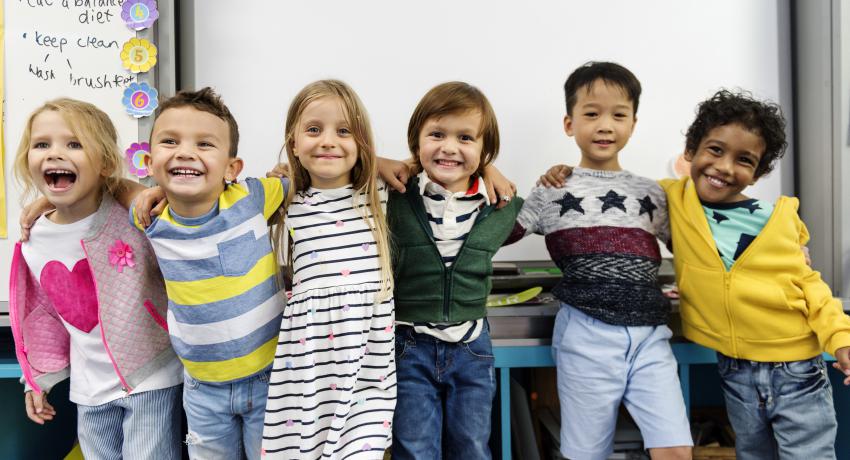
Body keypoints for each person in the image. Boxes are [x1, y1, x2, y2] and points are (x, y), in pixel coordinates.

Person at [506, 62, 693, 460]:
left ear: (633, 124)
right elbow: (499, 235)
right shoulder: (553, 189)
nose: (605, 125)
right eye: (592, 113)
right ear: (569, 123)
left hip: (649, 336)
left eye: (618, 115)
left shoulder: (651, 193)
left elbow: (692, 247)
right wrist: (487, 172)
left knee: (675, 448)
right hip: (585, 334)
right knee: (586, 453)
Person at [9, 98, 182, 459]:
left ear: (104, 163)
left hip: (151, 374)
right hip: (89, 388)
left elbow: (177, 208)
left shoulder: (132, 215)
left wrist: (131, 190)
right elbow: (43, 318)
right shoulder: (33, 239)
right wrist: (35, 378)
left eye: (74, 144)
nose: (55, 154)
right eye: (42, 145)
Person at [130, 87, 289, 459]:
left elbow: (312, 175)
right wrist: (44, 201)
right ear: (151, 163)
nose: (186, 152)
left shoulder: (252, 198)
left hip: (271, 378)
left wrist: (374, 161)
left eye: (204, 144)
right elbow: (100, 188)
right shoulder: (150, 218)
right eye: (171, 141)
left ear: (232, 168)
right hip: (203, 389)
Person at [260, 80, 396, 459]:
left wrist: (493, 172)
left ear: (362, 142)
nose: (328, 141)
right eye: (314, 130)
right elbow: (216, 197)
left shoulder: (378, 193)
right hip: (308, 363)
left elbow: (440, 162)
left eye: (344, 131)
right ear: (294, 141)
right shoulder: (285, 199)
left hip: (367, 363)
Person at [388, 81, 523, 459]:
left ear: (484, 151)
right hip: (409, 344)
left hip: (472, 347)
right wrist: (400, 164)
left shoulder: (499, 203)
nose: (449, 146)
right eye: (436, 134)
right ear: (417, 142)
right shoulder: (395, 196)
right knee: (414, 448)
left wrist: (489, 167)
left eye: (465, 137)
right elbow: (348, 169)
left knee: (472, 446)